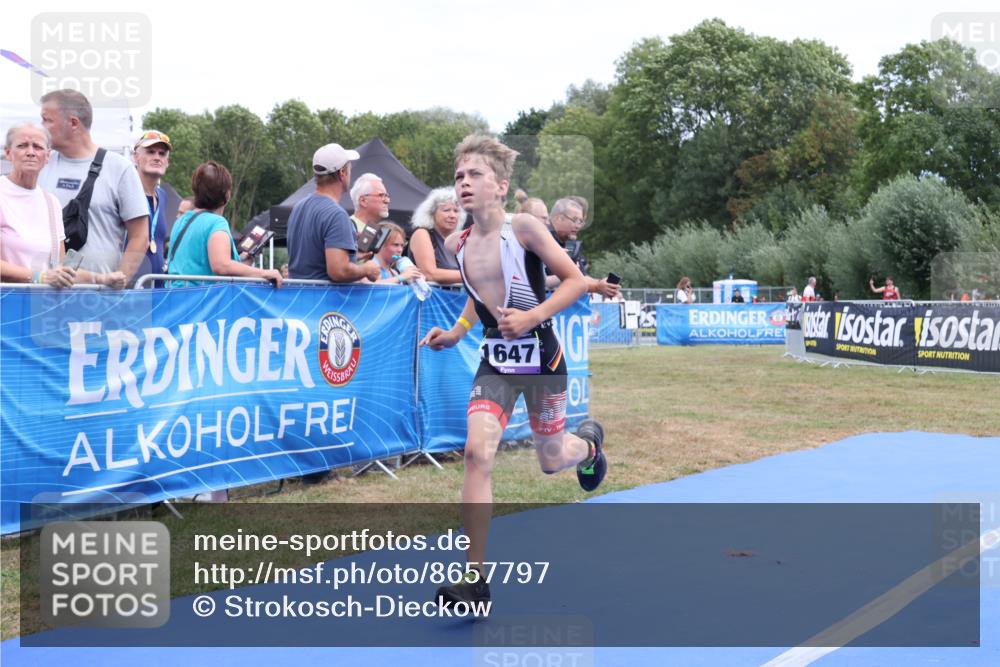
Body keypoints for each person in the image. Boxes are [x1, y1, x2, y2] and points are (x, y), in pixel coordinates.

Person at [421, 135, 606, 609]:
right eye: (459, 176)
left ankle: (588, 444)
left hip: (542, 358)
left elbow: (575, 282)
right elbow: (476, 293)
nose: (463, 184)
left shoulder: (524, 229)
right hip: (496, 362)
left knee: (550, 459)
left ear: (500, 187)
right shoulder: (455, 241)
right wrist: (459, 332)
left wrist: (532, 317)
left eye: (475, 175)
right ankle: (475, 578)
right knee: (476, 452)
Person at [38, 89, 149, 283]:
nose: (42, 127)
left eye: (47, 120)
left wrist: (117, 283)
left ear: (73, 123)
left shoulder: (120, 168)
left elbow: (140, 236)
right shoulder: (41, 166)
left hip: (98, 298)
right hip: (44, 293)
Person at [0, 123, 124, 288]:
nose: (30, 152)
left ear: (47, 156)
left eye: (37, 147)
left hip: (40, 308)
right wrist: (40, 277)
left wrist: (102, 279)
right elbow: (47, 276)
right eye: (22, 146)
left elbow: (60, 269)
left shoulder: (51, 203)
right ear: (8, 153)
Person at [166, 161, 282, 287]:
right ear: (227, 195)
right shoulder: (216, 222)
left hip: (174, 298)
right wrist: (264, 273)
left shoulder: (182, 220)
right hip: (200, 301)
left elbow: (195, 262)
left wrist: (239, 260)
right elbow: (221, 265)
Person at [286, 144, 380, 284]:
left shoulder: (298, 207)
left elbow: (311, 261)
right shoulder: (336, 215)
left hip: (299, 298)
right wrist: (367, 269)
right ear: (342, 173)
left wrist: (352, 257)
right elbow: (339, 271)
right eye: (349, 169)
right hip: (325, 302)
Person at [544, 197, 621, 299]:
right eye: (574, 220)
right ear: (559, 218)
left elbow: (580, 276)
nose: (578, 226)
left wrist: (603, 285)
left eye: (581, 221)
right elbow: (539, 281)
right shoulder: (543, 240)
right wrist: (597, 286)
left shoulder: (569, 244)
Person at [132, 130, 172, 283]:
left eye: (162, 154)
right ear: (136, 157)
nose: (157, 157)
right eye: (150, 152)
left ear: (167, 162)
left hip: (156, 290)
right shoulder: (124, 192)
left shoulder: (163, 196)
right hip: (129, 290)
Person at [407, 187, 464, 285]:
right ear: (432, 213)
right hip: (431, 298)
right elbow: (430, 274)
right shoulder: (422, 234)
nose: (452, 215)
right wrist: (471, 276)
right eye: (446, 210)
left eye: (456, 211)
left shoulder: (457, 239)